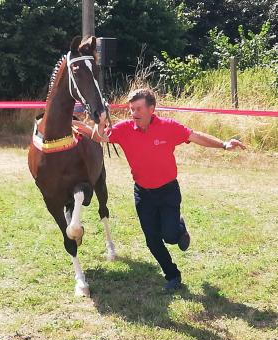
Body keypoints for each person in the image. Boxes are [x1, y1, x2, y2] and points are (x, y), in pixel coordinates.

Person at [88, 88, 246, 292]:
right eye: (131, 109)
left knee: (170, 236)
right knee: (152, 241)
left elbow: (196, 137)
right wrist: (98, 124)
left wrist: (224, 144)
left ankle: (179, 228)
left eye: (138, 109)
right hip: (143, 194)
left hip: (168, 191)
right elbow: (98, 138)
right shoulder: (124, 129)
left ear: (151, 109)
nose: (133, 113)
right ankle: (173, 276)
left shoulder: (168, 127)